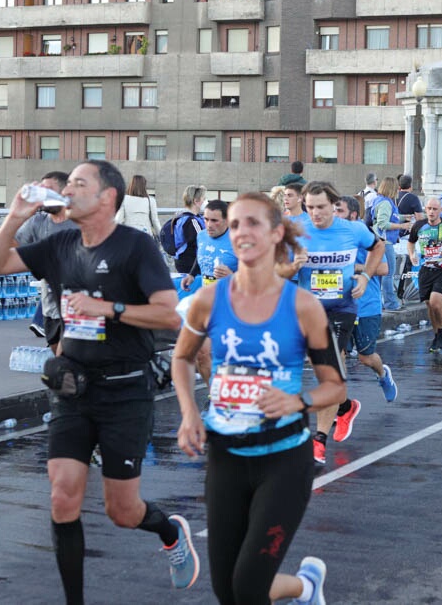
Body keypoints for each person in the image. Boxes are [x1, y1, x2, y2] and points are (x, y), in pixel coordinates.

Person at [0, 161, 196, 601]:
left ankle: (169, 531)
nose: (68, 190)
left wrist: (111, 310)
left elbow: (169, 313)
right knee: (62, 497)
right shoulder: (60, 243)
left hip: (125, 391)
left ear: (106, 197)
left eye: (80, 184)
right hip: (72, 390)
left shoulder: (135, 247)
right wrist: (16, 216)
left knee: (122, 511)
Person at [171, 192, 344, 605]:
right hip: (226, 457)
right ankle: (306, 587)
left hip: (283, 460)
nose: (241, 233)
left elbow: (335, 386)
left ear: (276, 232)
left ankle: (303, 586)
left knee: (248, 587)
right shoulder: (209, 300)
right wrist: (189, 412)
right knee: (226, 590)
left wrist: (298, 402)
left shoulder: (303, 307)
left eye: (252, 223)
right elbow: (181, 357)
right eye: (234, 225)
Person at [278, 181, 384, 465]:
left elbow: (378, 247)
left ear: (335, 207)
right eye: (310, 207)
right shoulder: (296, 233)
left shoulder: (353, 230)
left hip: (342, 307)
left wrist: (364, 277)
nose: (315, 213)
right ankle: (346, 406)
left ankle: (319, 441)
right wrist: (293, 266)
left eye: (321, 207)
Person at [335, 196, 399, 401]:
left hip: (366, 305)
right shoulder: (329, 238)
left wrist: (357, 268)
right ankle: (339, 403)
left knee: (365, 357)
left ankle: (383, 375)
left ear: (353, 215)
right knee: (337, 355)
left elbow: (384, 268)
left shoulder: (365, 236)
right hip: (338, 306)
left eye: (339, 211)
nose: (334, 216)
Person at [16, 171, 78, 351]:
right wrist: (17, 215)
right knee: (56, 351)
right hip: (50, 304)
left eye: (49, 190)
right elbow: (3, 255)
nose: (43, 195)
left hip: (79, 307)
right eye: (41, 190)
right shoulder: (38, 221)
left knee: (68, 360)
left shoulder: (81, 221)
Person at [180, 200, 239, 384]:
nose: (209, 225)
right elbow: (201, 258)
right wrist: (191, 274)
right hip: (206, 302)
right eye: (206, 219)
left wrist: (232, 275)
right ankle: (214, 396)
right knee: (200, 355)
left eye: (215, 220)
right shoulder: (202, 236)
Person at [407, 197, 442, 353]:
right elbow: (411, 242)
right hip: (426, 270)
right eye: (429, 209)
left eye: (434, 209)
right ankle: (437, 334)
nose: (431, 212)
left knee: (436, 303)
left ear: (440, 210)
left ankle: (441, 331)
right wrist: (412, 254)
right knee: (429, 305)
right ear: (425, 210)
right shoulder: (419, 226)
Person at [371, 177, 412, 311]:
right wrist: (402, 225)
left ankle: (383, 302)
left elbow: (385, 217)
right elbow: (383, 223)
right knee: (389, 273)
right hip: (385, 241)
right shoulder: (386, 203)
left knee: (382, 274)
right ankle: (390, 303)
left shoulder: (381, 201)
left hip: (380, 241)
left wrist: (402, 217)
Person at [173, 185, 207, 274]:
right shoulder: (192, 221)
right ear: (196, 201)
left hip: (181, 260)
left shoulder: (182, 217)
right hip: (190, 263)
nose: (205, 201)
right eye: (204, 198)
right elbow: (202, 240)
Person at [115, 174, 161, 239]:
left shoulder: (124, 199)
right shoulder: (151, 200)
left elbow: (118, 220)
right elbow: (155, 221)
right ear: (144, 186)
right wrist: (162, 237)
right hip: (146, 235)